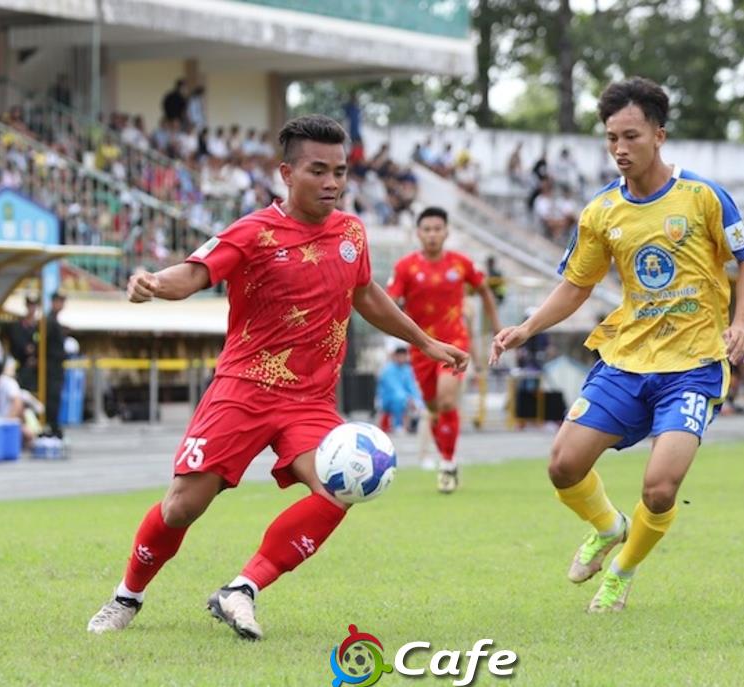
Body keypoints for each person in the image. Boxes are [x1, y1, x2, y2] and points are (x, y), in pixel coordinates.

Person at [87, 115, 468, 639]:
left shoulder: (351, 232)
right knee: (182, 506)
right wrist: (153, 283)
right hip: (243, 389)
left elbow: (365, 294)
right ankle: (126, 596)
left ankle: (242, 590)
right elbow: (194, 274)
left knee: (340, 486)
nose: (332, 182)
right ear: (287, 174)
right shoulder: (254, 231)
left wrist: (424, 341)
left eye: (340, 172)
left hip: (310, 400)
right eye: (318, 171)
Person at [490, 77, 744, 613]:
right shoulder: (601, 211)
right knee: (563, 465)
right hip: (627, 361)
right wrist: (526, 327)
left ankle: (622, 571)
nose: (619, 148)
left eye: (631, 136)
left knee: (660, 489)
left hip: (694, 365)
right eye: (612, 137)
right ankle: (607, 526)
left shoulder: (703, 196)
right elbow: (577, 286)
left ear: (659, 135)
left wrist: (743, 323)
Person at [387, 206, 502, 493]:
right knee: (434, 408)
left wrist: (497, 326)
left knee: (447, 400)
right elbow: (389, 301)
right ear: (418, 233)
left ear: (446, 232)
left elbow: (484, 289)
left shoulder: (461, 264)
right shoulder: (405, 268)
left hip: (454, 344)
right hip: (421, 348)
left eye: (437, 229)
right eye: (427, 229)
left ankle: (448, 464)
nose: (432, 235)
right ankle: (446, 458)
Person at [376, 346, 423, 434]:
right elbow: (394, 388)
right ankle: (398, 425)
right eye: (400, 356)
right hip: (388, 399)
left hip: (404, 397)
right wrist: (408, 399)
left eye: (404, 356)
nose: (402, 358)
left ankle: (412, 425)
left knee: (420, 400)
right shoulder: (388, 370)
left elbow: (412, 387)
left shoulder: (408, 369)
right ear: (395, 356)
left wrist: (416, 399)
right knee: (399, 398)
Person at [5, 295, 40, 391]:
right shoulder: (18, 326)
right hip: (21, 366)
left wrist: (36, 358)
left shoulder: (39, 327)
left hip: (36, 368)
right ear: (26, 306)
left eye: (34, 305)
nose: (32, 308)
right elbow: (18, 345)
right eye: (30, 305)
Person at [46, 292, 68, 438]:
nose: (61, 304)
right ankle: (52, 427)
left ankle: (54, 426)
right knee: (52, 398)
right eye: (59, 301)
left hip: (55, 366)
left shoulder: (53, 320)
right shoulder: (50, 321)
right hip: (52, 367)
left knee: (55, 398)